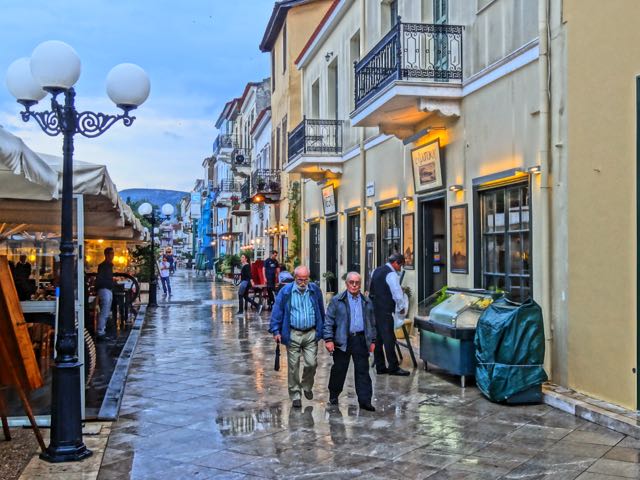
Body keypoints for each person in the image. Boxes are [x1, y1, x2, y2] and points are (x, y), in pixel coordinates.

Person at [269, 265, 325, 408]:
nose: (303, 283)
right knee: (293, 366)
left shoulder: (314, 290)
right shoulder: (286, 292)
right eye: (300, 279)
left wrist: (323, 330)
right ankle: (295, 395)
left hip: (311, 333)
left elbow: (320, 310)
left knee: (311, 363)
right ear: (295, 278)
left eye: (305, 280)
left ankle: (306, 386)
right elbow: (277, 311)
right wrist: (276, 331)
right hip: (293, 333)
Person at [324, 272, 377, 411]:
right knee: (339, 369)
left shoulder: (366, 301)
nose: (354, 285)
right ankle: (334, 395)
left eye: (357, 282)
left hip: (360, 339)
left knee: (363, 371)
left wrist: (373, 340)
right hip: (342, 340)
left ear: (360, 284)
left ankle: (365, 401)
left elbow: (372, 323)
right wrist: (328, 339)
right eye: (351, 282)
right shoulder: (337, 301)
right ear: (347, 284)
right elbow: (328, 321)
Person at [369, 252, 410, 376]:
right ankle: (393, 367)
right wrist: (402, 307)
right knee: (389, 339)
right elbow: (397, 293)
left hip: (374, 308)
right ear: (396, 262)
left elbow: (372, 288)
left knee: (378, 339)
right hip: (385, 309)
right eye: (400, 265)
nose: (400, 268)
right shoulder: (391, 274)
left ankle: (380, 366)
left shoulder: (376, 270)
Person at [95, 247, 115, 341]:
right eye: (111, 253)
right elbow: (102, 279)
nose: (113, 255)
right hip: (105, 289)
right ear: (106, 254)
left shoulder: (108, 265)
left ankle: (102, 330)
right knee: (104, 311)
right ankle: (100, 332)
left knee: (106, 311)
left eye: (113, 253)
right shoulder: (104, 266)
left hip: (107, 289)